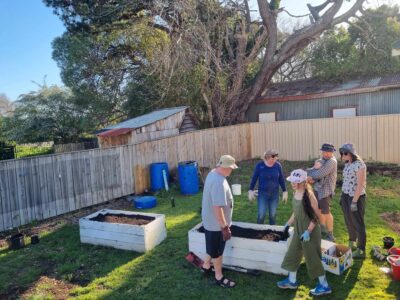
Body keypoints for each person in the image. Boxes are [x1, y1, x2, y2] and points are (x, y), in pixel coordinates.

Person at [277, 169, 332, 296]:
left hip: (310, 232)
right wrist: (287, 224)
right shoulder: (296, 192)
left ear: (303, 182)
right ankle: (292, 281)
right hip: (298, 230)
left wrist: (308, 231)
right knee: (293, 253)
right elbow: (296, 213)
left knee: (313, 258)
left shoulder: (310, 196)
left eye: (296, 182)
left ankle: (324, 286)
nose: (293, 184)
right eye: (292, 182)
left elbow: (316, 216)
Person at [201, 154, 238, 288]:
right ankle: (219, 276)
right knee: (217, 252)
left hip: (209, 221)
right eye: (231, 168)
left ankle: (206, 266)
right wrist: (224, 227)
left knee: (212, 247)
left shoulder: (213, 173)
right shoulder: (218, 182)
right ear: (225, 167)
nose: (231, 170)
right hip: (216, 225)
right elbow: (217, 208)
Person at [339, 143, 367, 259]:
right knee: (348, 220)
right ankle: (352, 242)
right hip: (346, 196)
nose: (343, 155)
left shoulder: (360, 165)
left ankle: (361, 250)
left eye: (345, 153)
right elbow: (345, 181)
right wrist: (342, 196)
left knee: (358, 223)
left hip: (356, 197)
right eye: (342, 153)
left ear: (352, 154)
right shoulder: (347, 164)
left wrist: (354, 201)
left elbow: (360, 185)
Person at [307, 143, 337, 241]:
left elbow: (320, 173)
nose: (326, 154)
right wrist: (309, 174)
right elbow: (313, 169)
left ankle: (330, 235)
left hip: (326, 191)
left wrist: (310, 176)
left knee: (326, 212)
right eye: (324, 151)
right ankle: (322, 229)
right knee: (318, 210)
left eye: (328, 152)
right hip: (317, 189)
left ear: (332, 152)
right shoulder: (322, 160)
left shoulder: (332, 162)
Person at [248, 149, 288, 225]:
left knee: (273, 215)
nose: (274, 161)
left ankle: (272, 232)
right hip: (263, 194)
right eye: (272, 159)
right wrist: (250, 190)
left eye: (276, 159)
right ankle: (258, 230)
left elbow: (281, 178)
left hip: (274, 194)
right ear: (267, 157)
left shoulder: (277, 165)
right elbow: (254, 178)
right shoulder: (260, 166)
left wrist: (284, 191)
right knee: (261, 215)